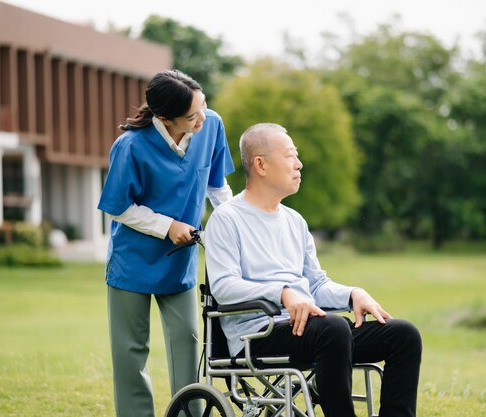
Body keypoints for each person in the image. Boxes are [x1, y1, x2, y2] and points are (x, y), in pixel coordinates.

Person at [204, 123, 421, 417]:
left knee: (403, 335)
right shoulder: (226, 219)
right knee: (333, 327)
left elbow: (316, 286)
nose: (299, 164)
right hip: (257, 336)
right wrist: (283, 294)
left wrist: (353, 294)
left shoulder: (295, 221)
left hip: (314, 330)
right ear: (261, 165)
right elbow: (224, 287)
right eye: (291, 156)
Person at [98, 69, 235, 417]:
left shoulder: (212, 126)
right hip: (133, 262)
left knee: (187, 343)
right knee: (131, 352)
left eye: (203, 106)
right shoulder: (130, 145)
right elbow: (118, 208)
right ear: (164, 117)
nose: (202, 118)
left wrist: (236, 227)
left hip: (180, 261)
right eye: (192, 116)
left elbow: (217, 187)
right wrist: (167, 225)